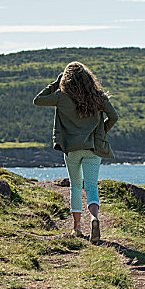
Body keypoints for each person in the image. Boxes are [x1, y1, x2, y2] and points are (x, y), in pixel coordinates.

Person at [33, 61, 118, 243]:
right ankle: (94, 218)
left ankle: (77, 228)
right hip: (92, 148)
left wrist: (56, 83)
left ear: (66, 79)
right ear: (88, 78)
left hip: (71, 149)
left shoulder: (61, 97)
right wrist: (101, 131)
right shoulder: (98, 97)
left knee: (76, 186)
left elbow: (38, 100)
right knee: (91, 186)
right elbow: (114, 116)